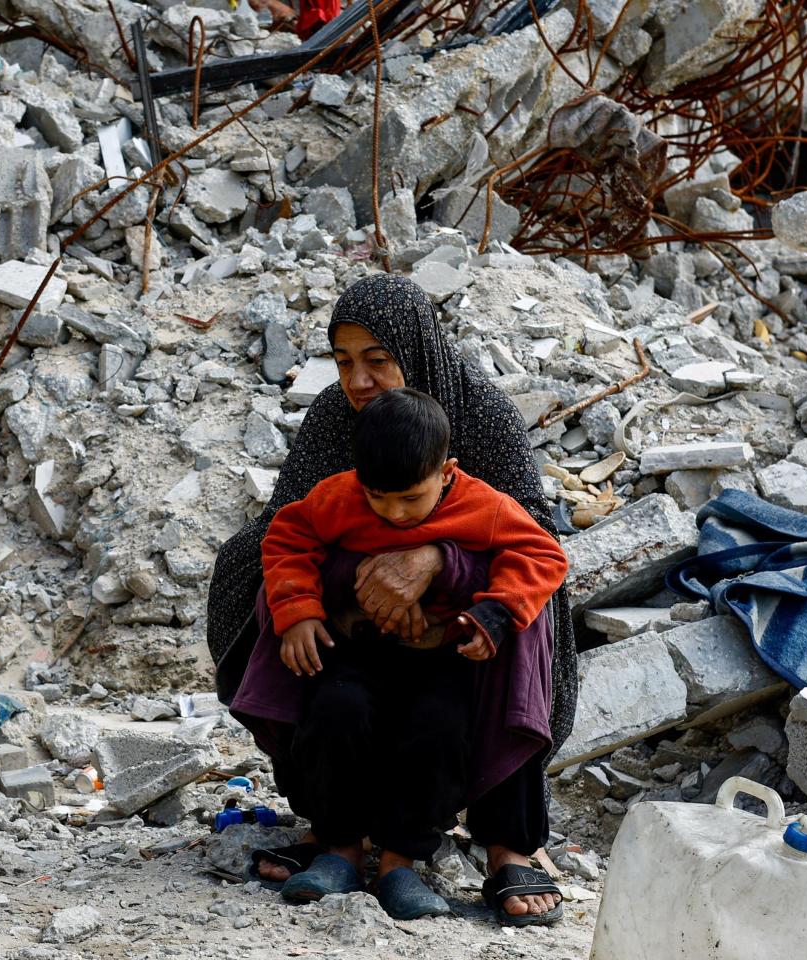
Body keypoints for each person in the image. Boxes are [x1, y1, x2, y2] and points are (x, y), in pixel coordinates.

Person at [206, 273, 576, 925]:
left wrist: (439, 563)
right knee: (256, 577)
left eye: (377, 361)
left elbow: (537, 540)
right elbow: (286, 527)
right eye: (343, 362)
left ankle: (507, 841)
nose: (357, 381)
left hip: (459, 631)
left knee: (532, 610)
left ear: (418, 354)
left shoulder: (480, 416)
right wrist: (345, 588)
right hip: (352, 630)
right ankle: (331, 832)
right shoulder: (334, 421)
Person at [253, 388, 567, 919]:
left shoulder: (482, 505)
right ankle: (339, 851)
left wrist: (494, 611)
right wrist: (299, 609)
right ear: (359, 479)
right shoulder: (337, 498)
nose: (395, 514)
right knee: (337, 714)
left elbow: (541, 553)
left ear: (446, 473)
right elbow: (287, 537)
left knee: (440, 731)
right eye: (379, 499)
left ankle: (400, 862)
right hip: (358, 654)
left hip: (441, 663)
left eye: (410, 500)